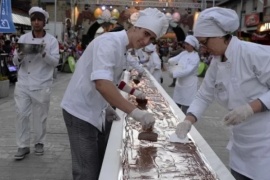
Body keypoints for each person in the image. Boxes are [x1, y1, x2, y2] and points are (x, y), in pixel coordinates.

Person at [61, 8, 168, 180]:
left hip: (95, 108)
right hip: (80, 111)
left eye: (151, 38)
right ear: (136, 26)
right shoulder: (109, 43)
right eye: (146, 33)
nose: (146, 41)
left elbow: (114, 81)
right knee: (86, 172)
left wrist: (129, 94)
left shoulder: (124, 48)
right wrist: (136, 112)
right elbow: (103, 84)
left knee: (101, 163)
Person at [175, 7, 270, 180]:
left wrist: (250, 108)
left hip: (265, 144)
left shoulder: (253, 53)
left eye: (205, 42)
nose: (203, 48)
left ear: (219, 36)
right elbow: (204, 95)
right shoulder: (217, 62)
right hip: (241, 146)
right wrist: (188, 120)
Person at [12, 7, 60, 160]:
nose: (36, 22)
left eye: (39, 20)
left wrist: (44, 53)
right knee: (21, 114)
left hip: (42, 83)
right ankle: (22, 145)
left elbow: (55, 62)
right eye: (34, 20)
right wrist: (19, 55)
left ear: (44, 22)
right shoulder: (24, 39)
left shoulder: (52, 41)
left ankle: (39, 142)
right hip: (23, 82)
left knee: (40, 116)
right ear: (31, 22)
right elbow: (15, 61)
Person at [168, 35, 200, 114]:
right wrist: (169, 61)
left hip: (189, 84)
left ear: (192, 45)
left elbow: (188, 70)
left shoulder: (195, 57)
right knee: (176, 105)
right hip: (180, 83)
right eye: (185, 44)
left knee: (186, 107)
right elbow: (174, 60)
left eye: (187, 44)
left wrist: (174, 73)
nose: (185, 46)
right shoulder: (184, 53)